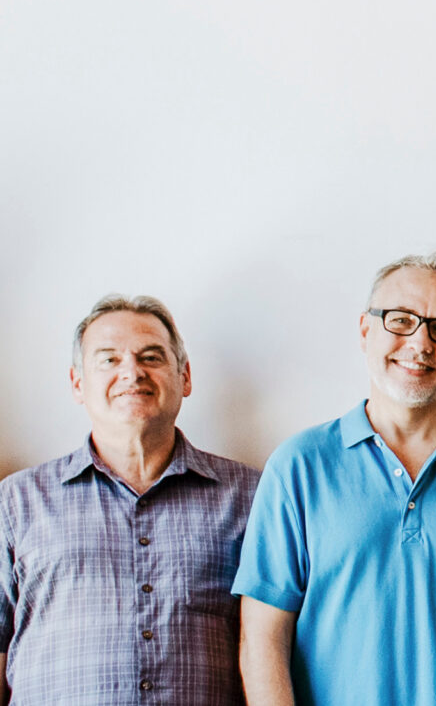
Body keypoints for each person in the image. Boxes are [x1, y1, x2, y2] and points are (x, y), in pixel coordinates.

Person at [233, 252, 436, 705]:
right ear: (366, 331)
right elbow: (263, 640)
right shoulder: (298, 467)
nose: (421, 343)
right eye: (401, 320)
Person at [0, 295, 261, 704]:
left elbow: (275, 646)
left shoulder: (251, 497)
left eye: (152, 357)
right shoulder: (16, 502)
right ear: (77, 384)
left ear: (185, 376)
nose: (132, 372)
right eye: (108, 360)